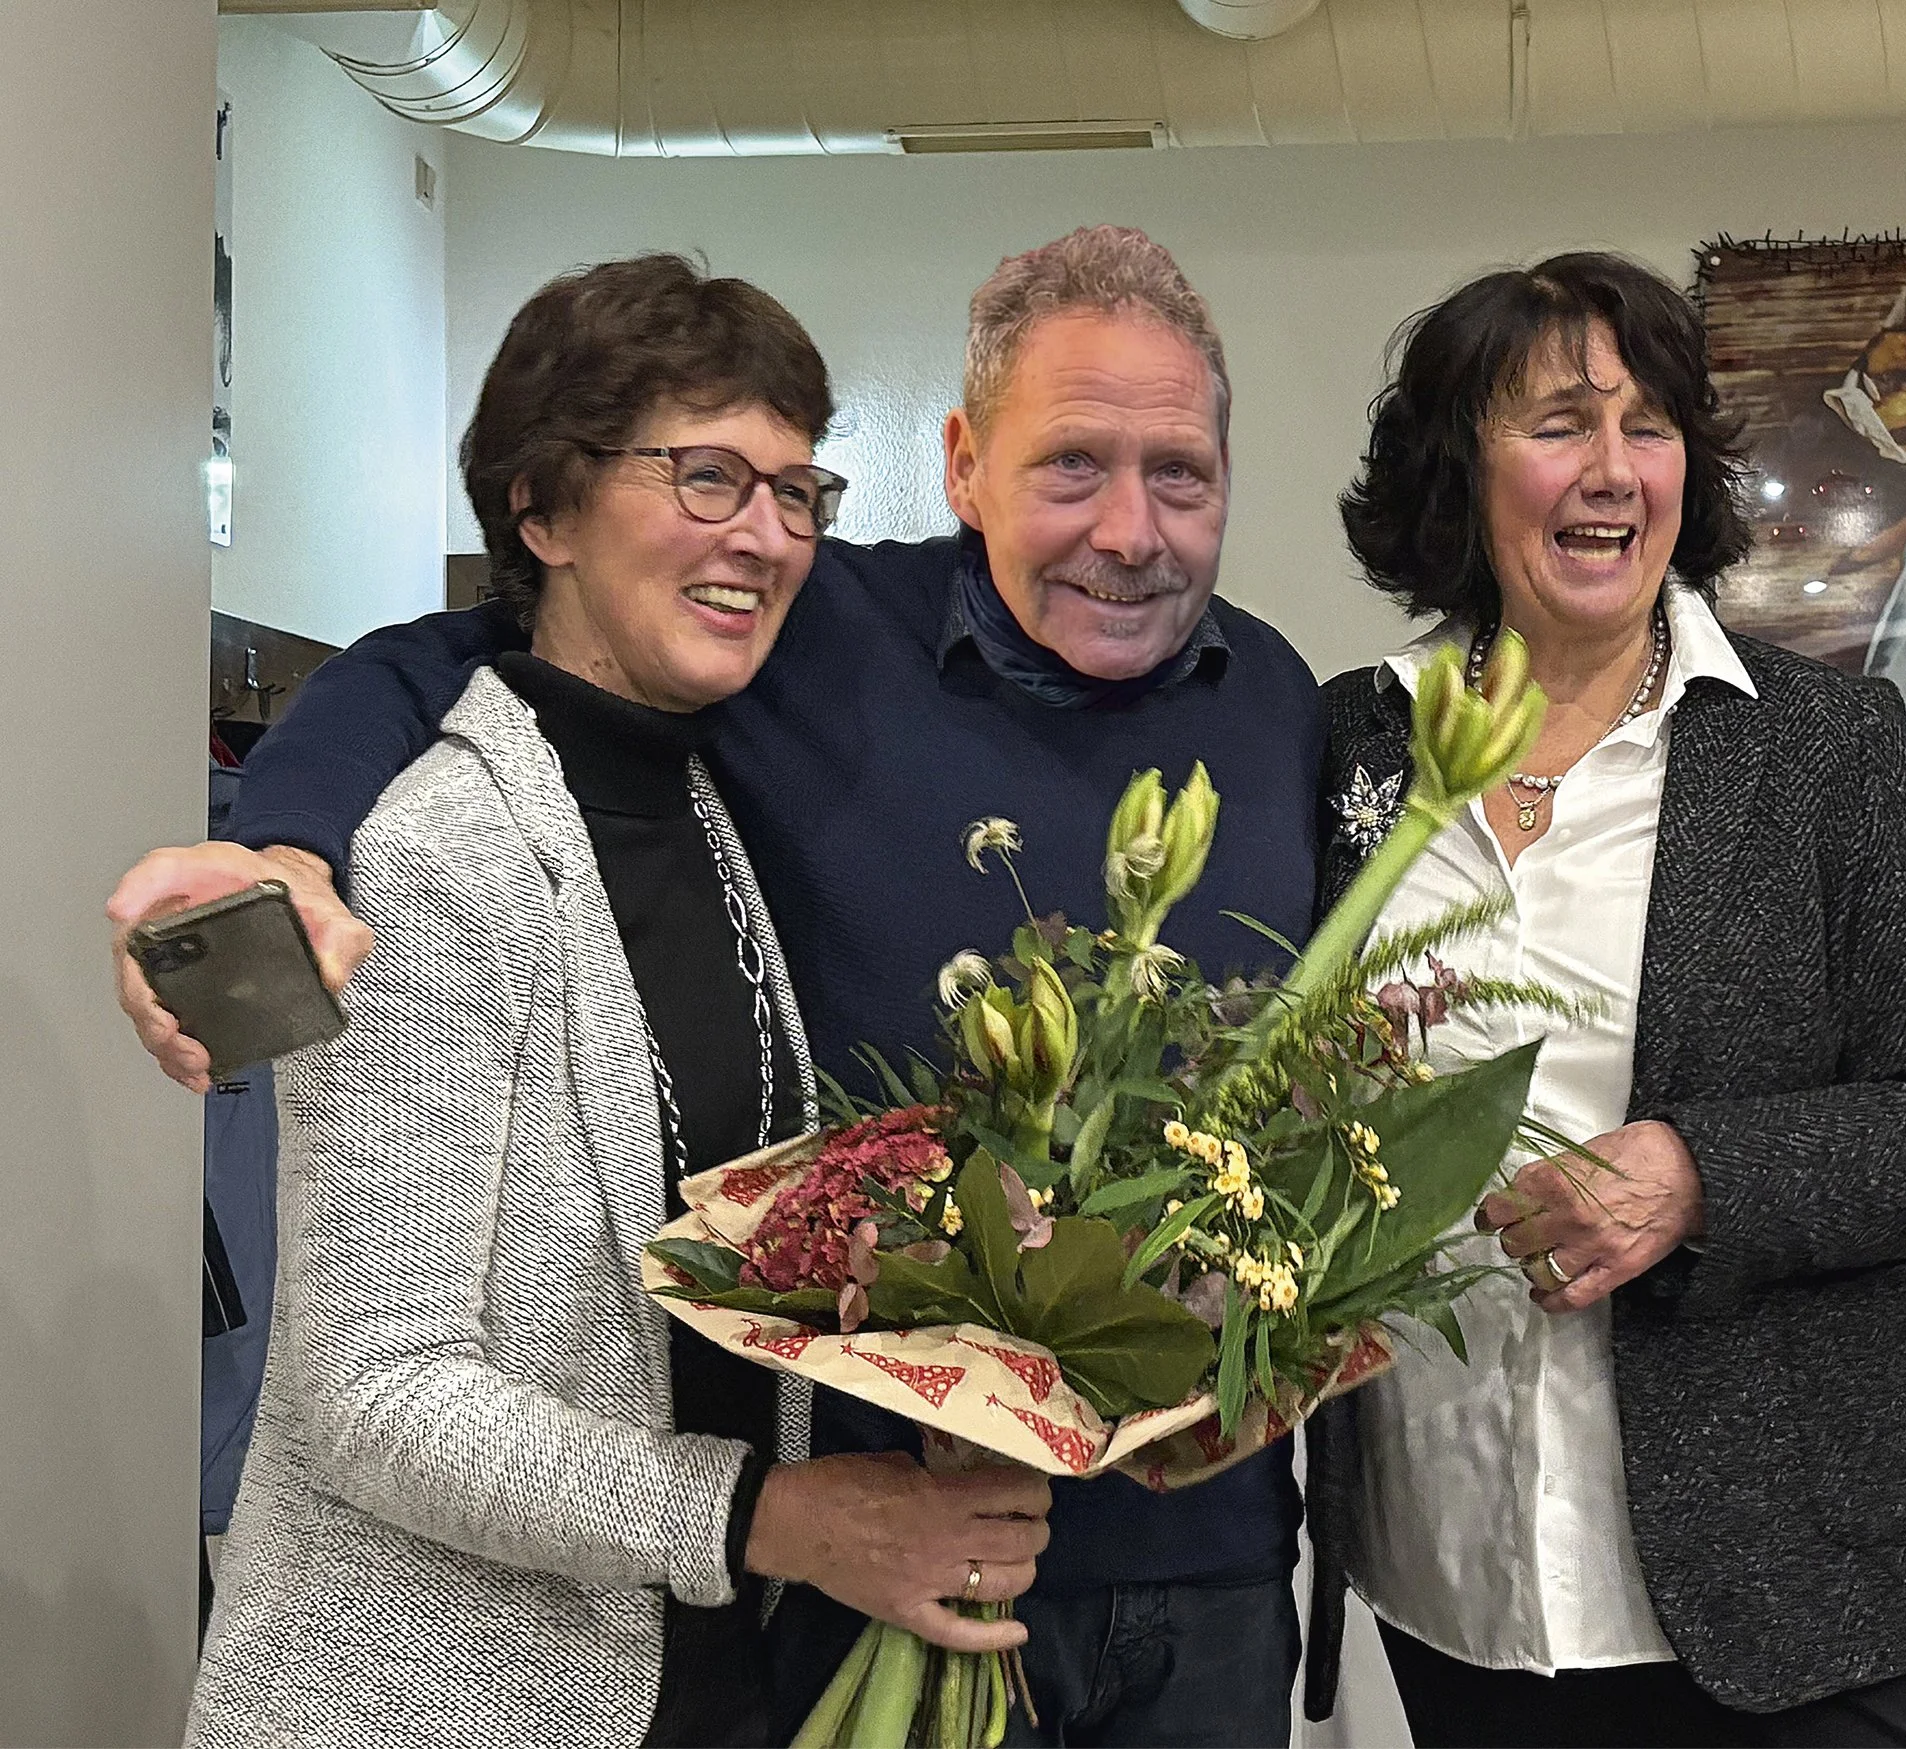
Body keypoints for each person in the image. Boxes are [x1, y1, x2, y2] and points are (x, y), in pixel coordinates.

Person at [112, 228, 1321, 1748]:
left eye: (1181, 475)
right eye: (1073, 464)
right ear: (962, 465)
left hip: (1131, 1573)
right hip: (719, 1607)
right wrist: (283, 843)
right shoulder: (771, 671)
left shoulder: (1272, 703)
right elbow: (448, 658)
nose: (1129, 531)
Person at [1303, 252, 1906, 1748]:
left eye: (1647, 426)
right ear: (1459, 470)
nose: (1614, 469)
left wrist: (1702, 1177)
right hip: (1462, 1576)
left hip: (1800, 1584)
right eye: (1559, 423)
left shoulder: (1821, 746)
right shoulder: (1346, 747)